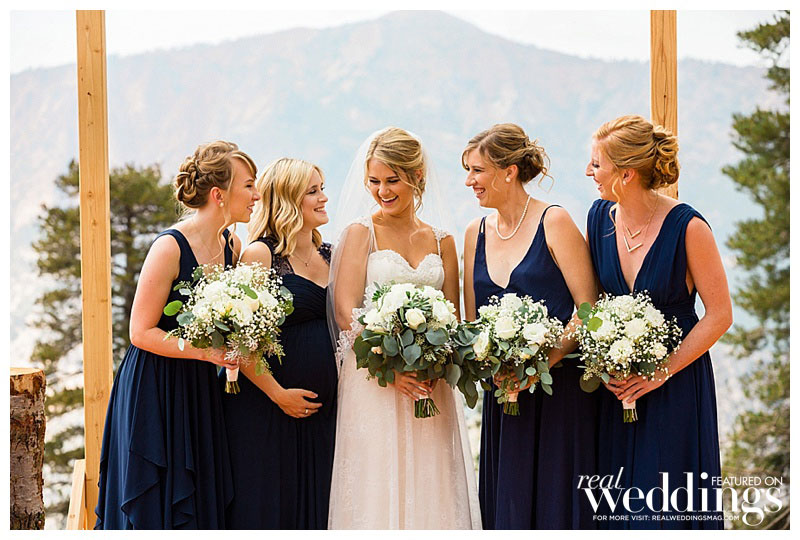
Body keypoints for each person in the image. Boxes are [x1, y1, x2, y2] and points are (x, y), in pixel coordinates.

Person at [95, 141, 260, 529]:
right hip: (155, 387)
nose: (257, 196)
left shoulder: (232, 245)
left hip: (200, 388)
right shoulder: (169, 247)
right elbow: (140, 331)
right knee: (157, 501)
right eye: (249, 185)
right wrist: (205, 352)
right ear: (219, 194)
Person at [327, 127, 481, 529]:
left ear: (417, 176)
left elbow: (453, 316)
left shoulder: (442, 241)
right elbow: (345, 312)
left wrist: (434, 362)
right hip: (374, 380)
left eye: (392, 180)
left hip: (431, 382)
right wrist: (390, 371)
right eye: (374, 181)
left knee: (432, 481)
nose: (382, 191)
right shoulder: (361, 233)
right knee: (378, 483)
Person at [585, 115, 732, 529]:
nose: (589, 173)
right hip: (617, 390)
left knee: (666, 502)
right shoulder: (598, 219)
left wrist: (660, 372)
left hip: (676, 386)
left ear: (626, 174)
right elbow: (592, 305)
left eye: (596, 164)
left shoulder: (689, 228)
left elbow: (720, 315)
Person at [462, 123, 599, 529]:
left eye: (477, 171)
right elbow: (472, 322)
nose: (469, 181)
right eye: (468, 171)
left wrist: (542, 362)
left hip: (560, 396)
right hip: (503, 396)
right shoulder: (474, 233)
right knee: (509, 505)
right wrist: (494, 366)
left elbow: (588, 308)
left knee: (557, 506)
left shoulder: (554, 221)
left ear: (509, 172)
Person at [221, 158, 336, 529]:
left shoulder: (332, 255)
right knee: (272, 508)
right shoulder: (260, 255)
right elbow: (238, 340)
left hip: (326, 412)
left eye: (322, 188)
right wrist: (278, 394)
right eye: (313, 191)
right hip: (269, 409)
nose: (324, 198)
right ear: (287, 200)